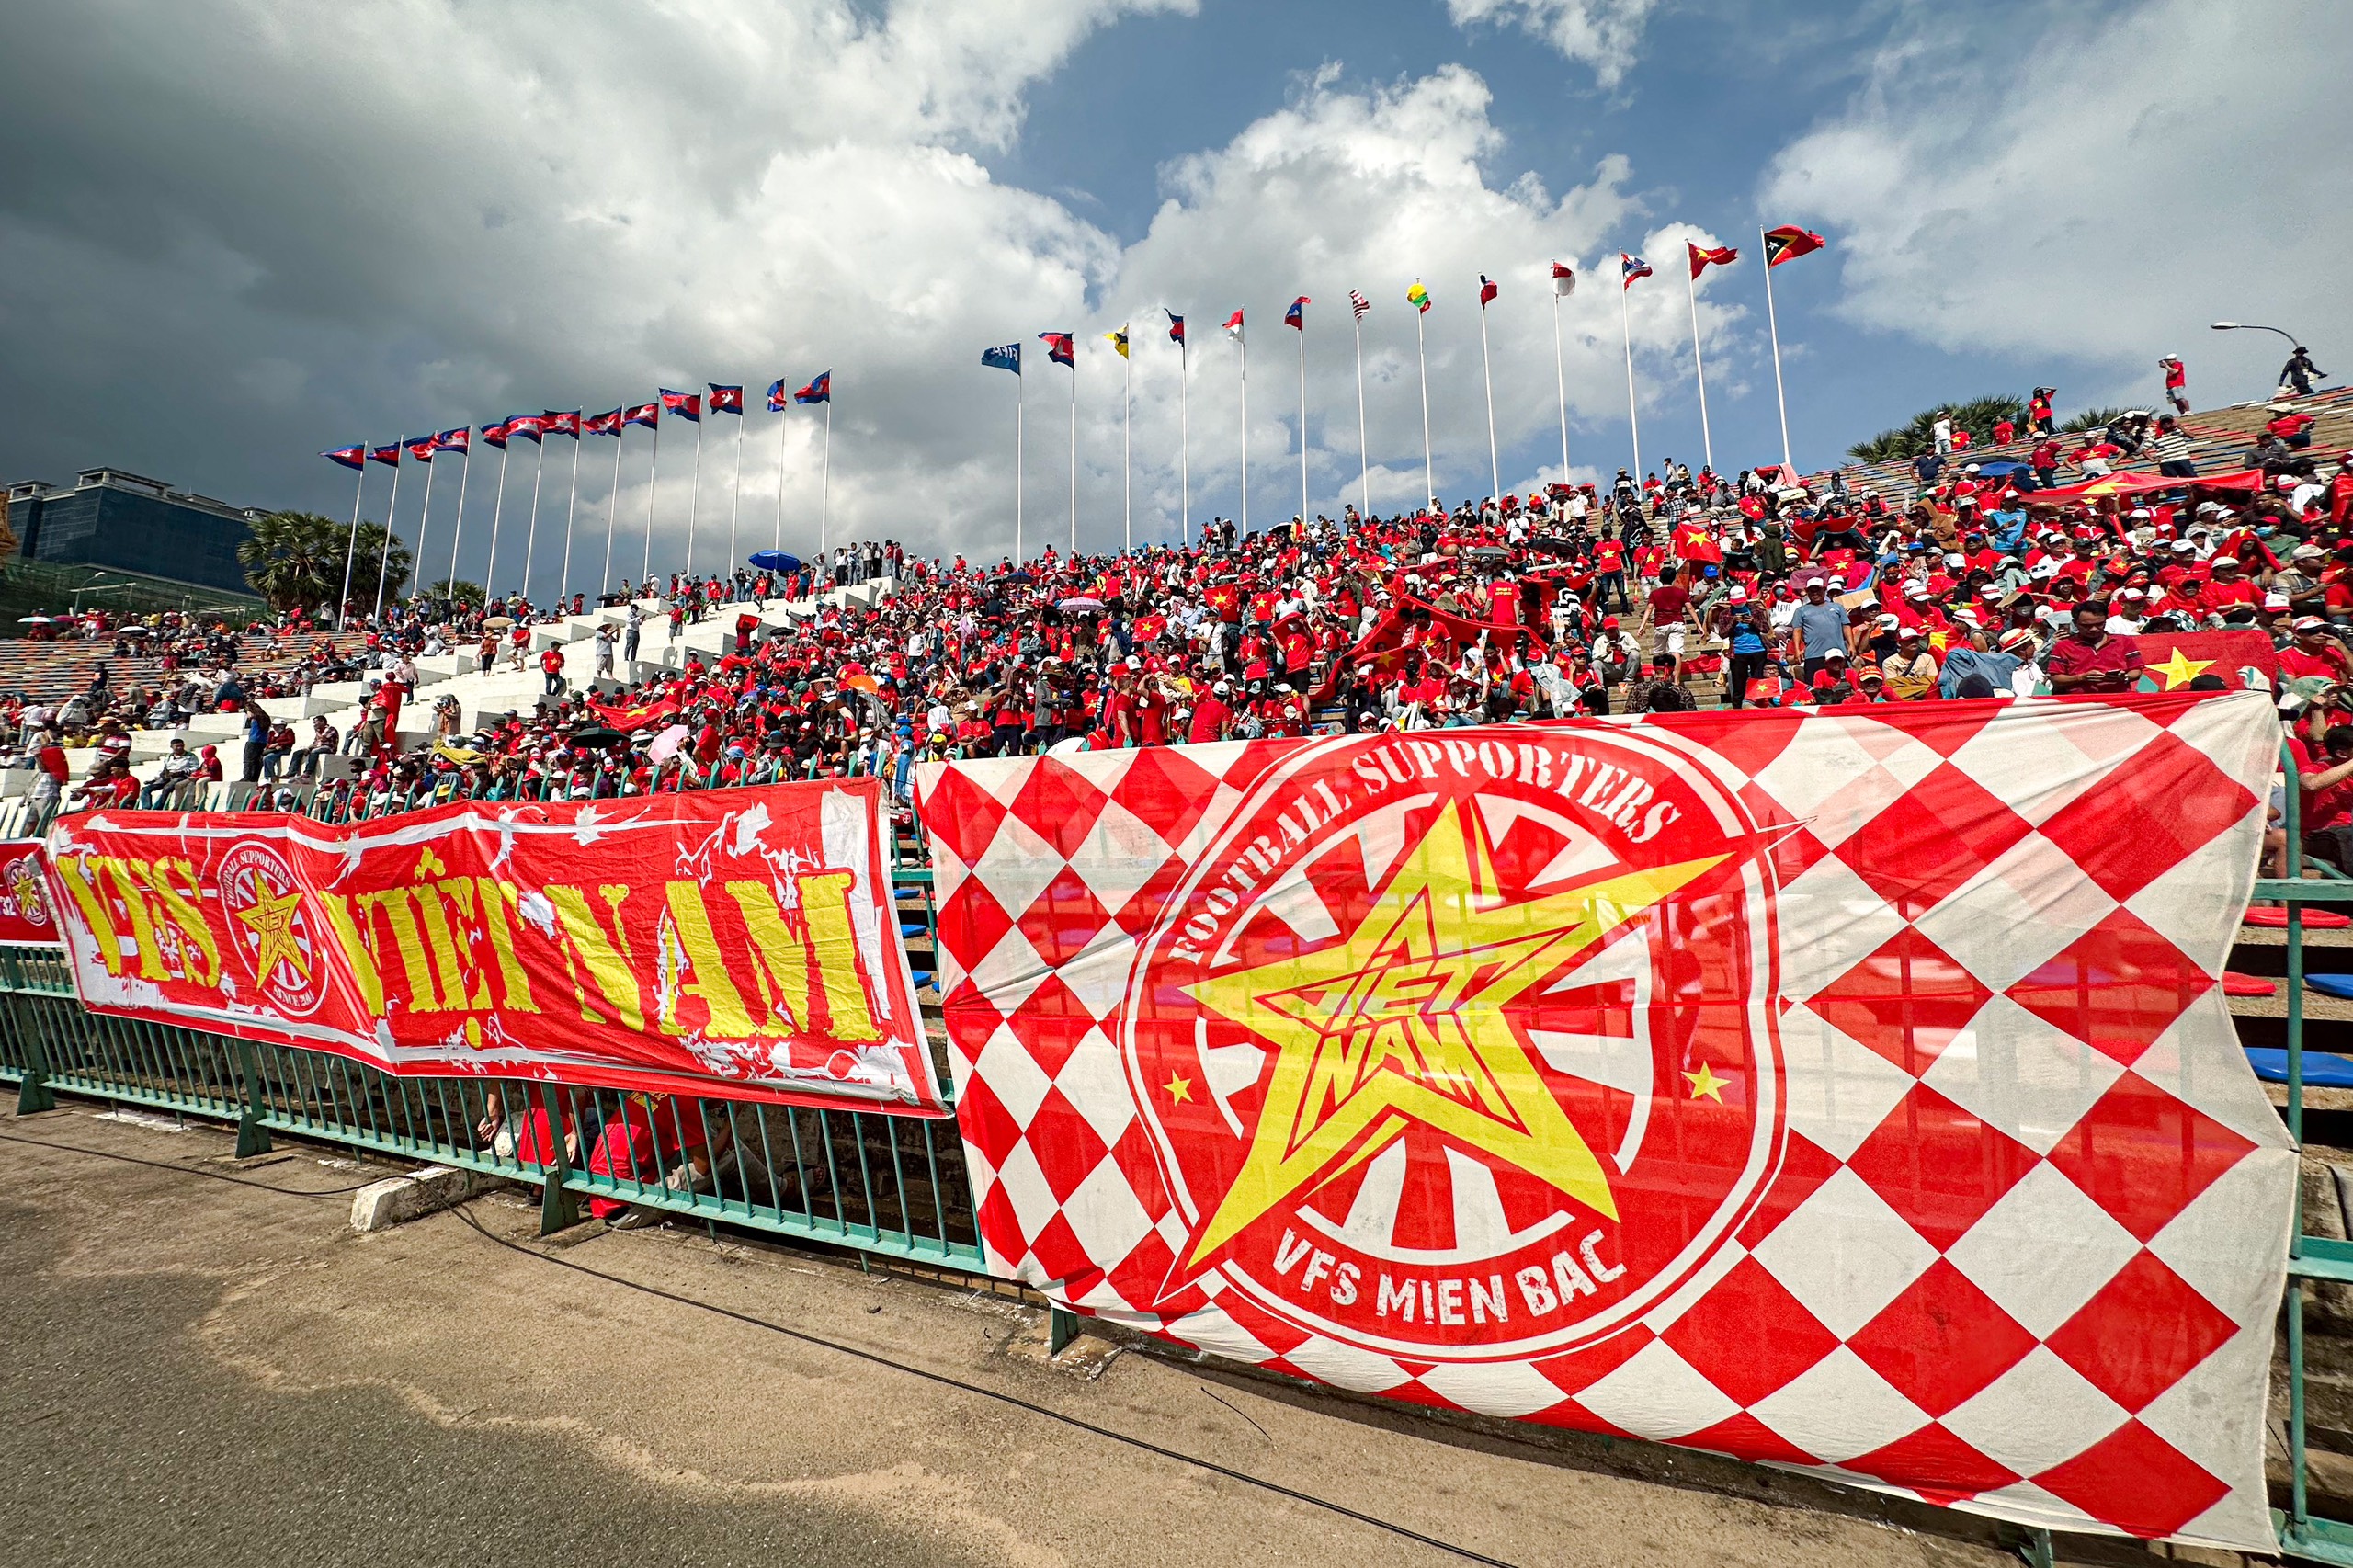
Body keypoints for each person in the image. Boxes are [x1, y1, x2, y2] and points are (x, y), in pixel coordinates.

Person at [2043, 600, 2144, 693]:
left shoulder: (2124, 641)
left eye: (2099, 624)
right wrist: (2081, 678)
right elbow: (2055, 678)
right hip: (2081, 704)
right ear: (2075, 624)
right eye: (2086, 626)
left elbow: (2136, 670)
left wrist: (2124, 677)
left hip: (2118, 701)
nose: (2093, 629)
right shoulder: (2063, 646)